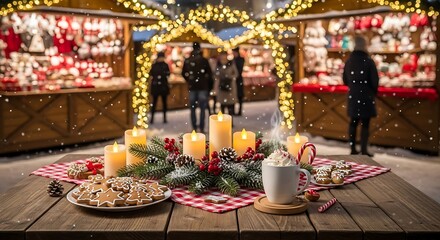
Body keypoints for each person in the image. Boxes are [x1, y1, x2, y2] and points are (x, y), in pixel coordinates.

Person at [343, 36, 379, 157]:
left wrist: (353, 86)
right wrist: (372, 92)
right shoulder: (368, 61)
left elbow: (345, 79)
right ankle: (364, 150)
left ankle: (353, 148)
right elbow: (375, 81)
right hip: (366, 96)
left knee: (353, 122)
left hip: (353, 95)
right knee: (365, 123)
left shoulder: (349, 61)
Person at [182, 42, 213, 133]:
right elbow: (210, 74)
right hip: (202, 87)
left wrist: (189, 80)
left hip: (193, 87)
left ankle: (194, 127)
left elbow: (183, 73)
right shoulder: (204, 60)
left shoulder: (188, 60)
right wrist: (208, 85)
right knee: (202, 108)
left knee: (193, 108)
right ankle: (202, 127)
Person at [214, 51, 239, 115]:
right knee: (222, 105)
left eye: (224, 55)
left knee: (230, 105)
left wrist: (229, 77)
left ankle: (230, 121)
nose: (223, 57)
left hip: (230, 87)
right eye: (222, 55)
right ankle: (223, 121)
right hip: (221, 86)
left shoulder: (231, 63)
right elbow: (215, 74)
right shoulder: (218, 64)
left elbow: (236, 74)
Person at [149, 52, 170, 124]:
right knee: (154, 103)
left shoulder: (165, 65)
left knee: (164, 103)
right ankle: (152, 118)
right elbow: (151, 73)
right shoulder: (154, 65)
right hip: (156, 87)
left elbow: (168, 74)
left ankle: (164, 118)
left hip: (163, 86)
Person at [232, 47, 245, 115]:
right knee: (234, 95)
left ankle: (239, 111)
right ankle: (234, 111)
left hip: (238, 79)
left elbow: (239, 70)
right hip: (235, 80)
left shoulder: (240, 59)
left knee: (239, 96)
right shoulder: (233, 60)